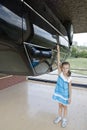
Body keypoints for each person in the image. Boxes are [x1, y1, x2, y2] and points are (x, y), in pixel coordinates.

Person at [52, 44, 72, 128]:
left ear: (68, 69)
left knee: (65, 107)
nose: (65, 69)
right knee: (60, 106)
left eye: (67, 68)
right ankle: (59, 117)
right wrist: (58, 50)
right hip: (59, 93)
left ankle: (64, 119)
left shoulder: (69, 78)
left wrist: (70, 97)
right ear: (62, 68)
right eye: (64, 68)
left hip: (65, 95)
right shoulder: (60, 74)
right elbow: (59, 59)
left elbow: (70, 88)